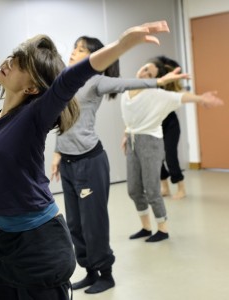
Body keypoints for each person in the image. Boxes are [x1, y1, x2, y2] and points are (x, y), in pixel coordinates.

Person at [0, 21, 171, 300]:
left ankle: (102, 269)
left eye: (19, 64)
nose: (8, 63)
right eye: (11, 58)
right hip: (5, 242)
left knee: (91, 223)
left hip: (39, 244)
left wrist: (123, 44)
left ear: (31, 88)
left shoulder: (34, 116)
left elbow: (69, 80)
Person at [50, 36, 188, 294]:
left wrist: (158, 82)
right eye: (74, 47)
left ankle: (106, 274)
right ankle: (89, 271)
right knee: (74, 225)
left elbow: (125, 83)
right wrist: (57, 154)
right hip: (68, 163)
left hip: (89, 162)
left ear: (95, 57)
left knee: (93, 223)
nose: (73, 52)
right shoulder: (65, 80)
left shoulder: (96, 80)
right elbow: (63, 121)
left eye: (81, 50)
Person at [121, 56, 223, 243]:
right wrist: (125, 135)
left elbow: (179, 97)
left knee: (152, 190)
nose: (144, 73)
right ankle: (145, 227)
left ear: (157, 79)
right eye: (144, 68)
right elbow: (131, 116)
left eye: (150, 73)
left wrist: (200, 98)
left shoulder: (156, 94)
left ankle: (162, 228)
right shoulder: (127, 89)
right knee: (134, 189)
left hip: (150, 142)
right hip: (133, 141)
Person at [157, 56, 186, 200]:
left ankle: (181, 187)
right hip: (155, 124)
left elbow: (180, 98)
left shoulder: (174, 89)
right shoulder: (154, 85)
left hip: (171, 125)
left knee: (170, 156)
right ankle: (165, 187)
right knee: (156, 157)